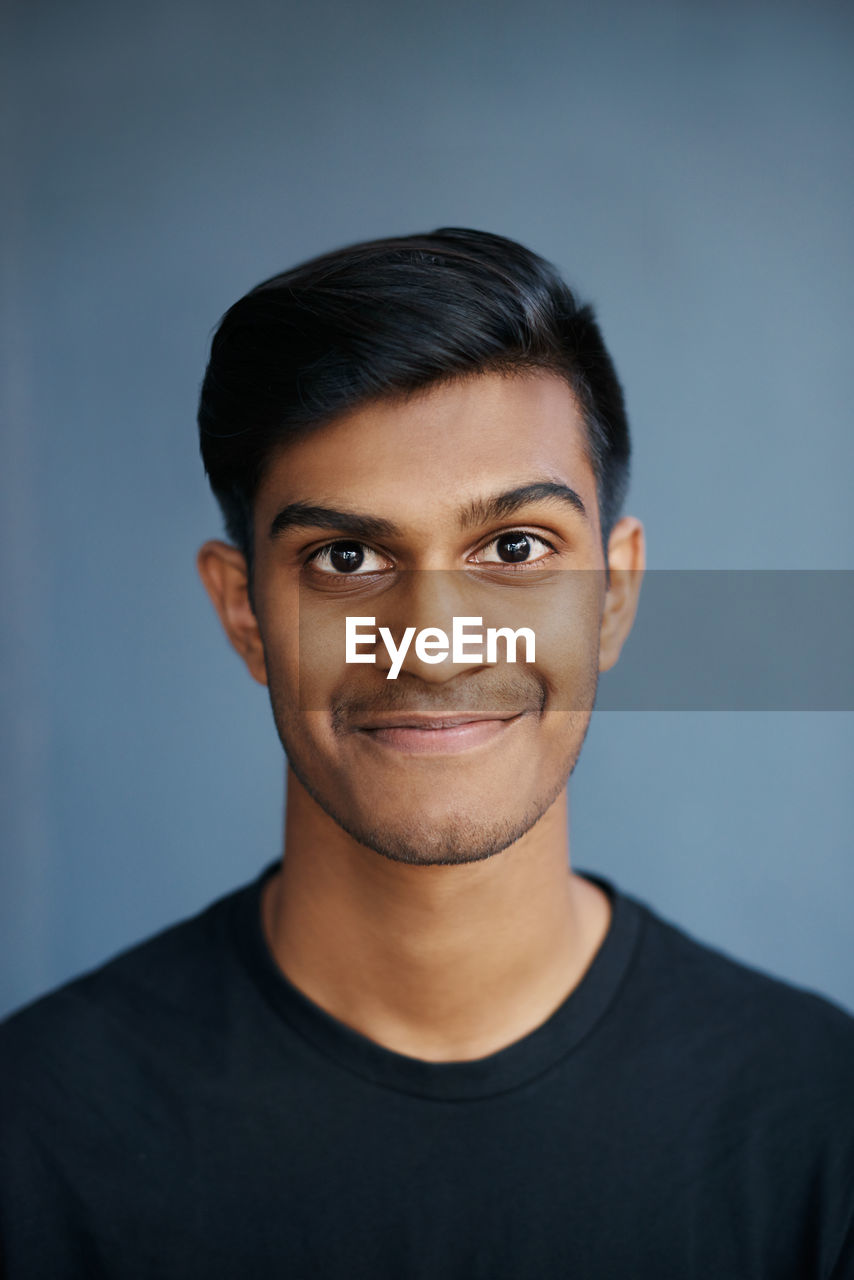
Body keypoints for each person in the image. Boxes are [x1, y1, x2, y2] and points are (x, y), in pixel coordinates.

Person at [1, 228, 852, 1279]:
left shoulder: (820, 1123)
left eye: (513, 548)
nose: (436, 645)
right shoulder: (33, 1132)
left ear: (614, 594)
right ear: (244, 612)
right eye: (345, 557)